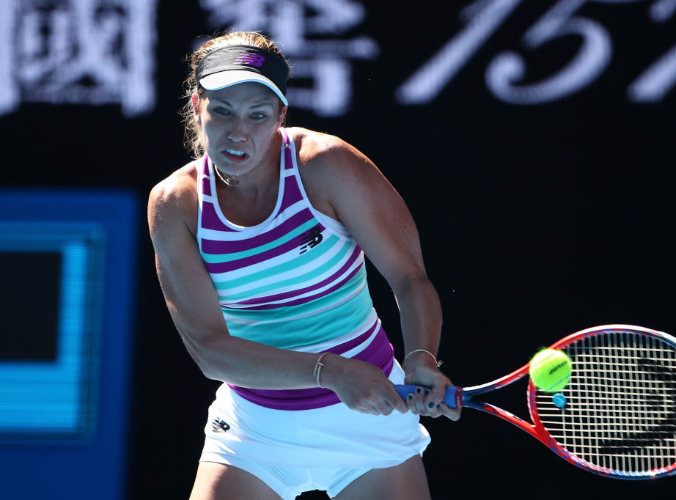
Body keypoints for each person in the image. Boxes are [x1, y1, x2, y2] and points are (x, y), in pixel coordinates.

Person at [147, 31, 459, 500]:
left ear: (280, 117)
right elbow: (209, 350)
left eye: (257, 115)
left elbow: (409, 279)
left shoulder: (327, 166)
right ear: (197, 107)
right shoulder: (176, 204)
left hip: (369, 423)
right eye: (222, 111)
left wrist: (420, 359)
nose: (238, 132)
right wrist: (328, 372)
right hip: (254, 429)